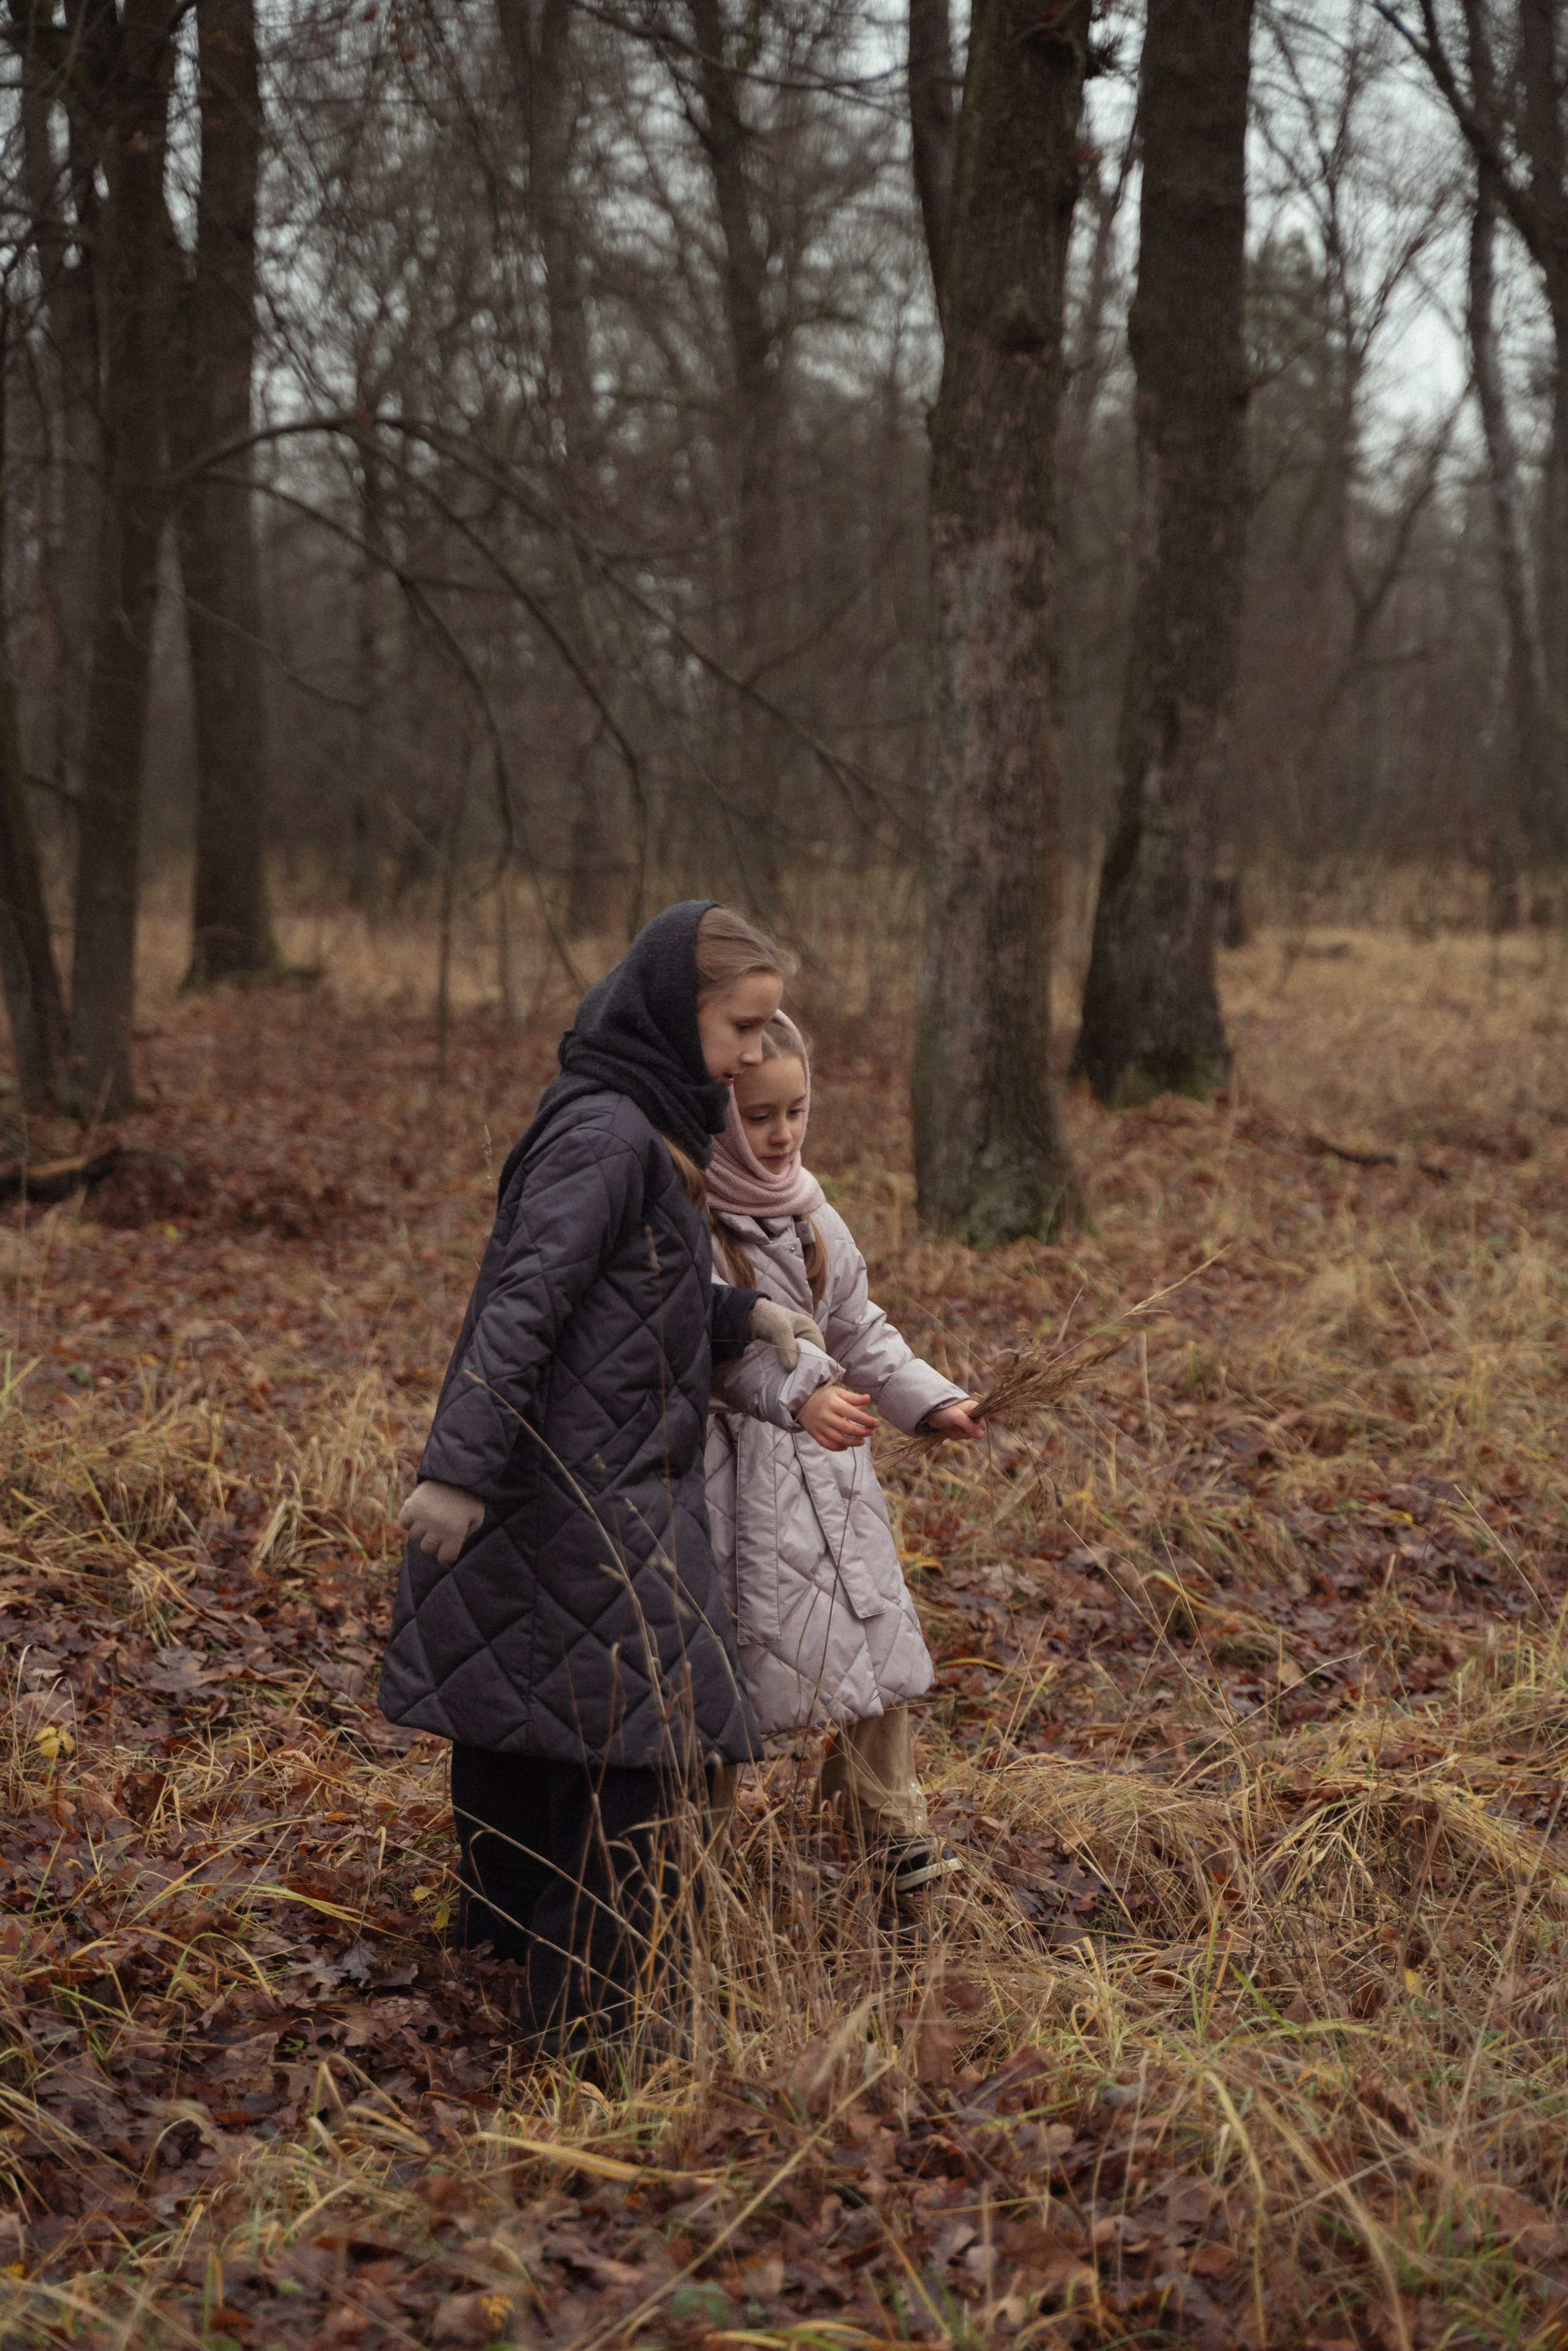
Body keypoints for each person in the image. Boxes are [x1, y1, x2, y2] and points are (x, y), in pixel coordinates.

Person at [379, 904, 824, 2048]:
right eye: (742, 1026)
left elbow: (626, 1290)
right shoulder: (609, 1132)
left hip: (600, 1480)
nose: (752, 1054)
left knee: (535, 1722)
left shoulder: (642, 1119)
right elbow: (522, 1301)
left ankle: (496, 1964)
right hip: (584, 1489)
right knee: (649, 1754)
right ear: (675, 1008)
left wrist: (737, 1315)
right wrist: (458, 1472)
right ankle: (588, 2028)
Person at [704, 1014, 986, 1915]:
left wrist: (930, 1400)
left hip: (834, 1475)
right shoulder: (692, 1220)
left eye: (796, 1111)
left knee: (877, 1643)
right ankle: (694, 1852)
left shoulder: (813, 1213)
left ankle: (889, 1822)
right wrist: (798, 1394)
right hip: (735, 1484)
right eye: (759, 1117)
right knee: (728, 1662)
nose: (782, 1133)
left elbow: (861, 1332)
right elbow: (705, 1350)